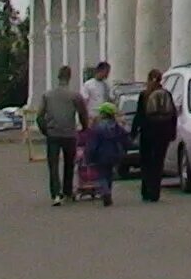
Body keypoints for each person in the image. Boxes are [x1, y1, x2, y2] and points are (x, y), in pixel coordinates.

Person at [37, 65, 84, 206]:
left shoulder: (47, 95)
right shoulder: (75, 96)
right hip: (69, 133)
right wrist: (85, 128)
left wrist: (46, 130)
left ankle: (56, 194)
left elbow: (39, 116)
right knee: (69, 164)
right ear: (69, 77)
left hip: (53, 133)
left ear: (58, 77)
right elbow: (83, 114)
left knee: (53, 165)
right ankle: (68, 192)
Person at [134, 68, 179, 203]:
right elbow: (173, 115)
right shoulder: (166, 94)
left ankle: (146, 191)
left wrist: (133, 132)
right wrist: (172, 132)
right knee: (158, 162)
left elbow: (139, 115)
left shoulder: (144, 95)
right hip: (163, 133)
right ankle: (155, 192)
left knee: (146, 161)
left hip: (147, 132)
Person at [81, 103, 127, 208]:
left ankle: (106, 192)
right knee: (109, 175)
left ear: (102, 114)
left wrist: (88, 156)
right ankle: (108, 191)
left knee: (102, 175)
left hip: (100, 155)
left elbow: (92, 144)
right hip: (114, 154)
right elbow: (124, 139)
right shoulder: (116, 126)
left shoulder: (97, 127)